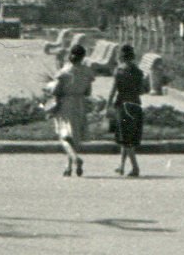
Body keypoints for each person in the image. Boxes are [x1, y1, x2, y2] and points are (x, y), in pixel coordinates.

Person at [44, 43, 97, 177]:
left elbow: (56, 90)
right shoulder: (87, 72)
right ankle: (68, 167)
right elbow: (88, 92)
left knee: (64, 136)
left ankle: (75, 158)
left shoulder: (64, 72)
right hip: (80, 103)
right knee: (74, 135)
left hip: (65, 103)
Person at [106, 43, 148, 178]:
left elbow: (113, 91)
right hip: (135, 104)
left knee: (125, 138)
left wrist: (107, 105)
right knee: (128, 137)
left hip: (122, 105)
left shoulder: (119, 71)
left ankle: (135, 167)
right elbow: (142, 90)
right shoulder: (138, 72)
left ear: (121, 57)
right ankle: (121, 166)